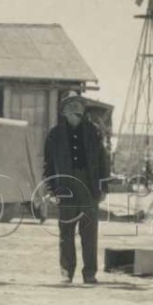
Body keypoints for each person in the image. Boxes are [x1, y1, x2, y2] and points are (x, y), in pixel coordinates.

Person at [42, 94, 110, 284]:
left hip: (88, 187)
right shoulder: (54, 135)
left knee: (89, 233)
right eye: (71, 106)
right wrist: (51, 190)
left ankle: (89, 274)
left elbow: (103, 162)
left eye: (79, 106)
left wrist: (103, 186)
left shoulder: (93, 133)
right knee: (66, 233)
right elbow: (48, 166)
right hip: (66, 187)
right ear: (64, 112)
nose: (75, 109)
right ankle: (66, 272)